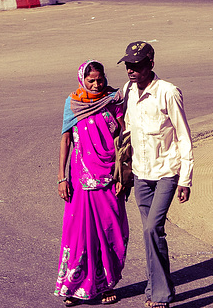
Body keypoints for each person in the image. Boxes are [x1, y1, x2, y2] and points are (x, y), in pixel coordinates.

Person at [118, 41, 194, 308]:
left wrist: (185, 178)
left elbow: (184, 137)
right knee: (152, 233)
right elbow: (126, 127)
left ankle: (161, 295)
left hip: (166, 172)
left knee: (152, 228)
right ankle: (155, 288)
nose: (131, 70)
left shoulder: (167, 92)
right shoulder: (128, 91)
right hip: (141, 173)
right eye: (128, 65)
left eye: (137, 65)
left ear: (151, 64)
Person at [55, 60, 129, 307]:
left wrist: (122, 176)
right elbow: (66, 140)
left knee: (110, 230)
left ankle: (105, 283)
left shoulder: (114, 100)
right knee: (79, 233)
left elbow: (124, 138)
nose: (97, 84)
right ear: (82, 80)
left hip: (109, 177)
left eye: (100, 79)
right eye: (91, 81)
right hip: (80, 180)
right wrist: (61, 177)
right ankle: (74, 284)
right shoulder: (73, 103)